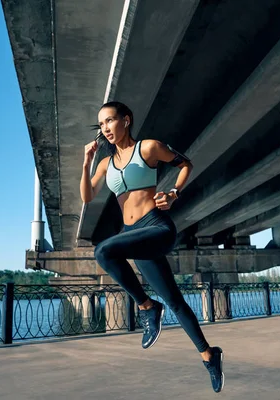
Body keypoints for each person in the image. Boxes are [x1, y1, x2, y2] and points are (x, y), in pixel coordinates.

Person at [79, 101, 224, 393]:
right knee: (175, 301)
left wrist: (173, 193)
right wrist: (86, 163)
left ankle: (147, 306)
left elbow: (186, 163)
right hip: (132, 232)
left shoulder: (148, 148)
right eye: (101, 124)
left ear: (126, 120)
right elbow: (86, 196)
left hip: (156, 227)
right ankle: (209, 354)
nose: (105, 128)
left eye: (110, 120)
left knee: (104, 251)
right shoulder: (106, 164)